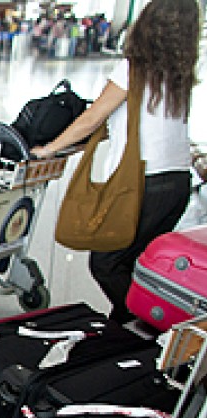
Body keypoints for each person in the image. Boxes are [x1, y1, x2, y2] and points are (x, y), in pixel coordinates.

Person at [31, 0, 200, 323]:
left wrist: (49, 148)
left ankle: (147, 323)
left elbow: (93, 116)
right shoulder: (178, 73)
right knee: (137, 261)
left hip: (143, 184)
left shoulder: (134, 66)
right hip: (177, 181)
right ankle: (127, 328)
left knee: (106, 263)